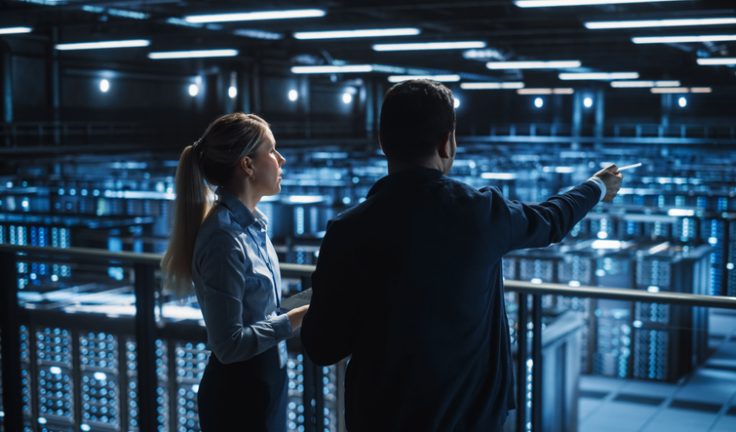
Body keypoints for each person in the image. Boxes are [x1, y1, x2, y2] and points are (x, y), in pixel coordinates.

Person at [301, 80, 622, 431]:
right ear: (447, 142)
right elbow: (551, 220)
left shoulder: (347, 230)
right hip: (471, 419)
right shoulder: (482, 213)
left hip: (381, 419)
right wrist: (596, 186)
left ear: (382, 142)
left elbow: (322, 346)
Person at [161, 113, 308, 432]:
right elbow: (228, 345)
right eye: (272, 150)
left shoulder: (253, 227)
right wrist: (297, 318)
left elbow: (262, 314)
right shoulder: (223, 238)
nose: (281, 159)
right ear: (248, 165)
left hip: (266, 383)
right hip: (240, 397)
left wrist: (319, 296)